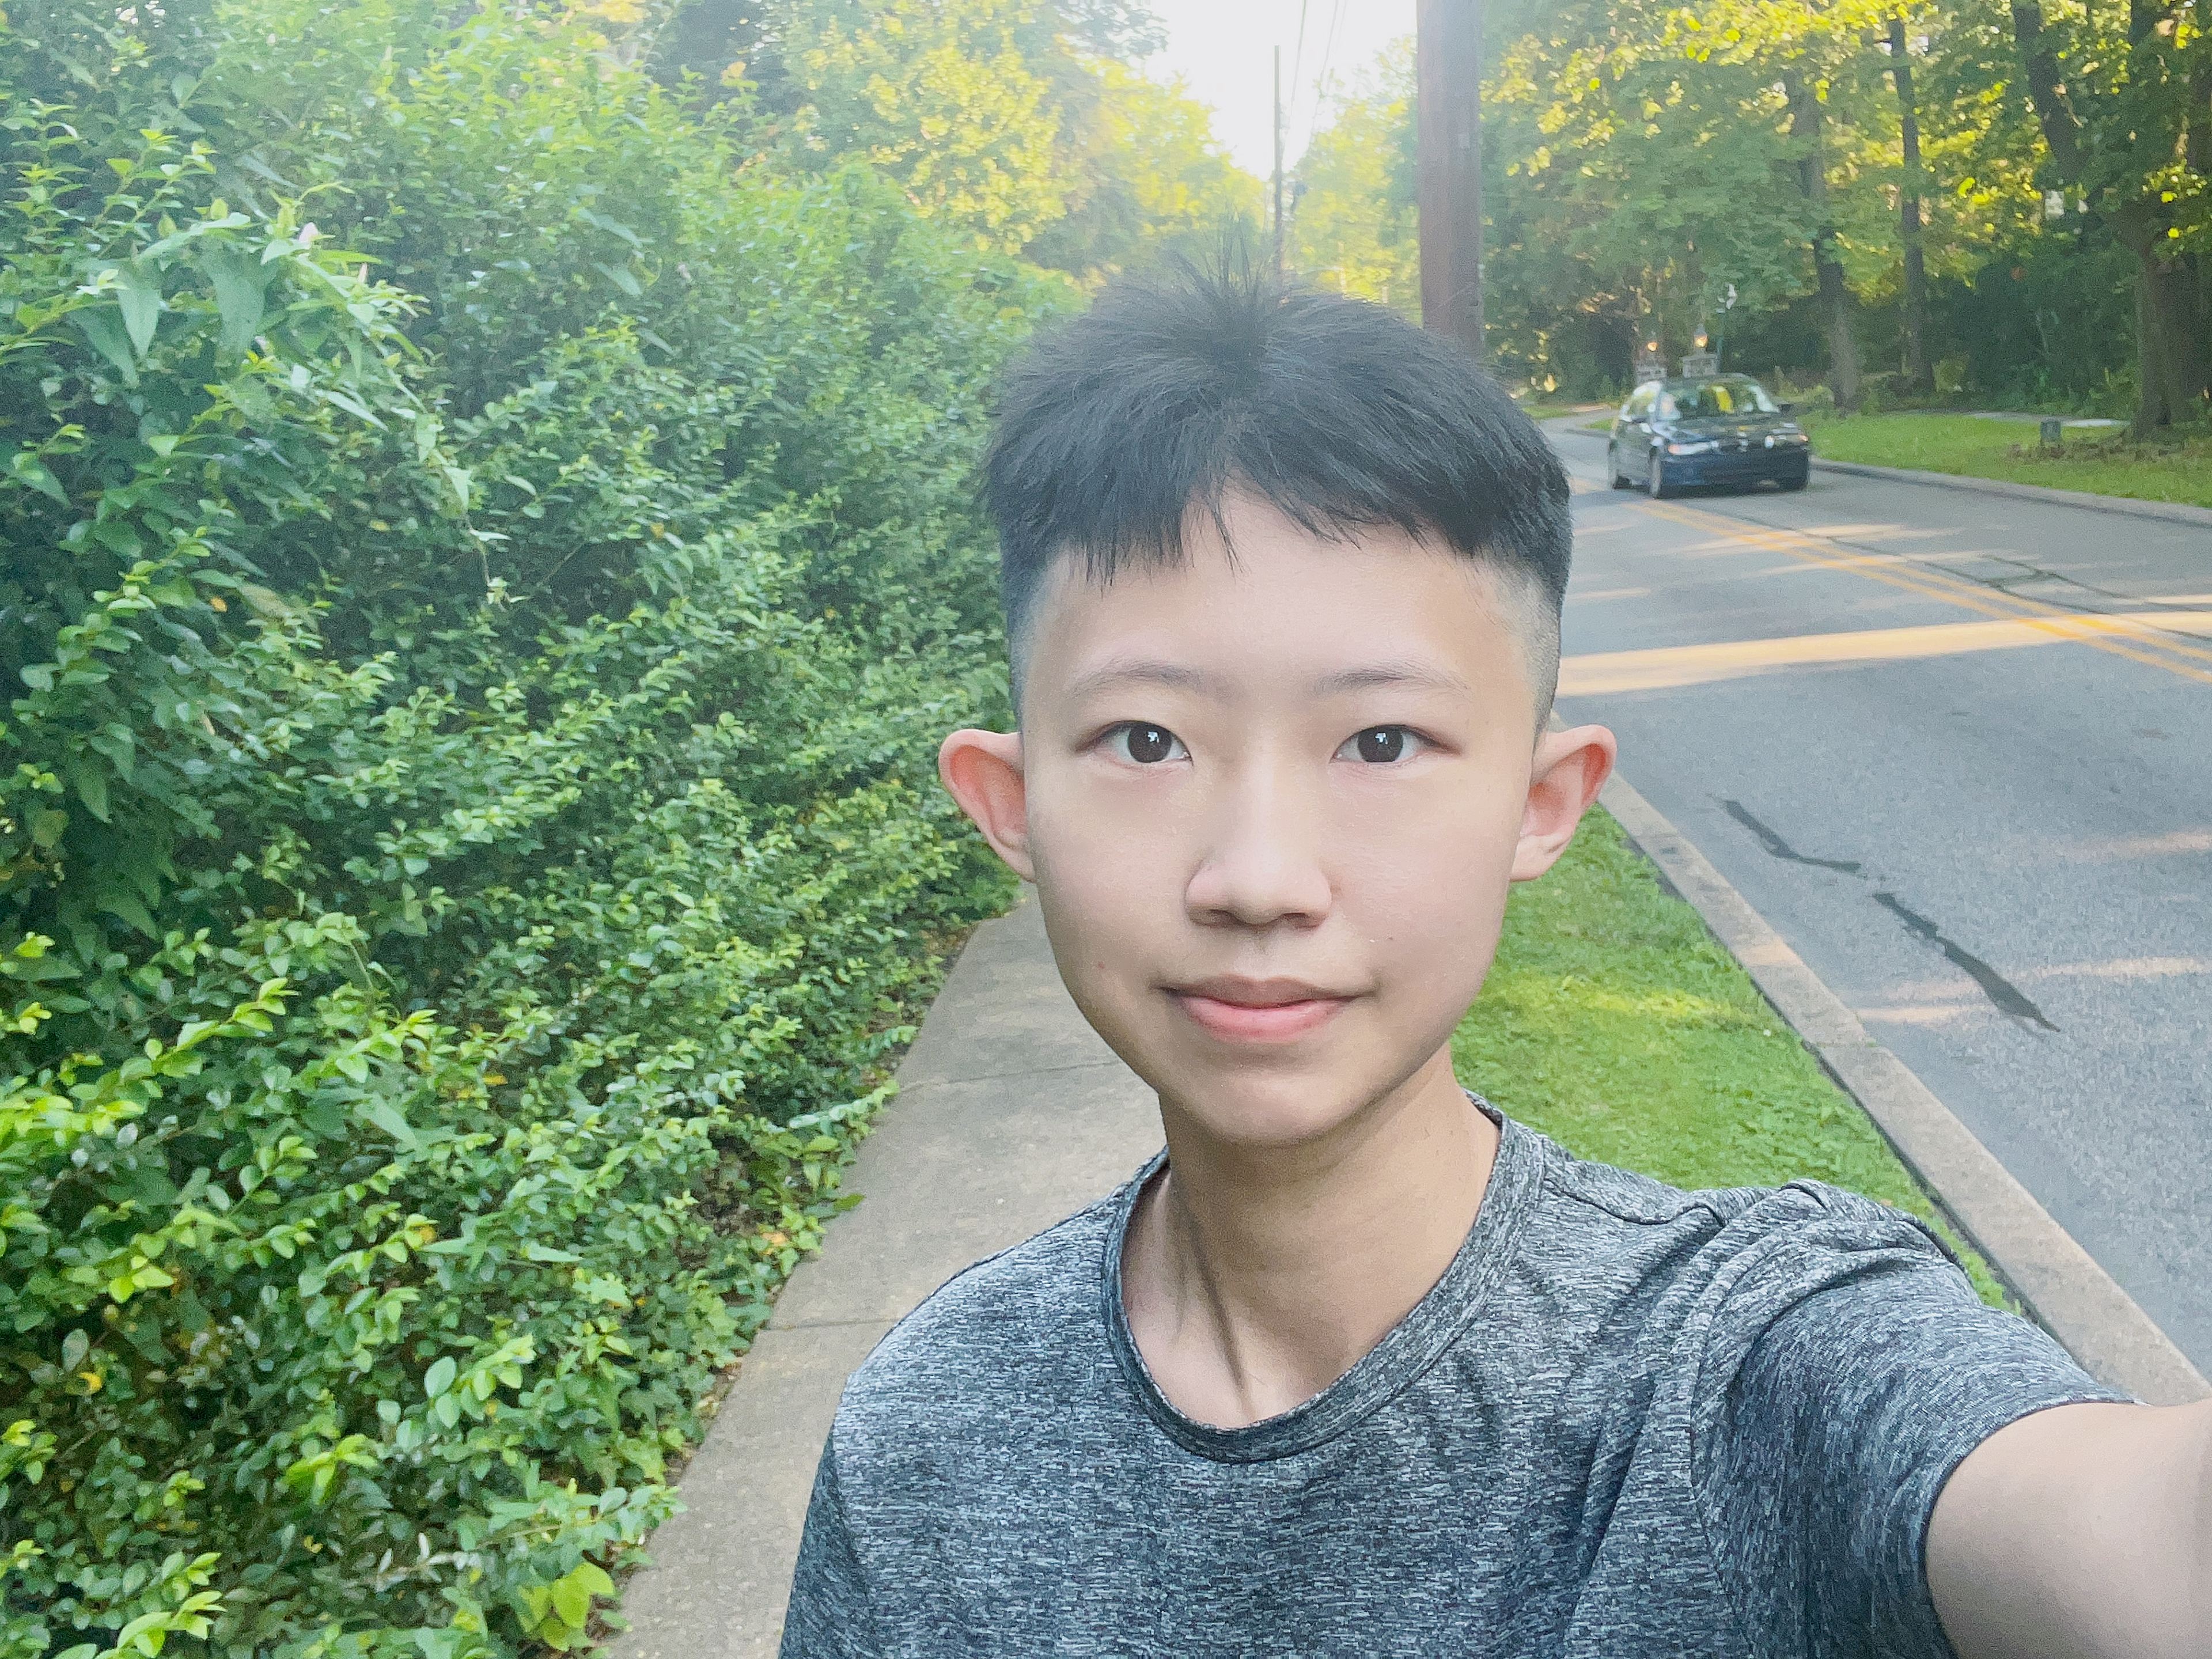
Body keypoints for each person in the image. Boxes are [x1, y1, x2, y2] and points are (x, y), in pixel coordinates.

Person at [779, 267, 2209, 1657]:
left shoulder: (1748, 1365)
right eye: (1146, 741)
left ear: (1541, 805)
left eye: (1381, 742)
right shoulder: (926, 1439)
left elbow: (2127, 1535)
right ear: (1012, 804)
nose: (1260, 879)